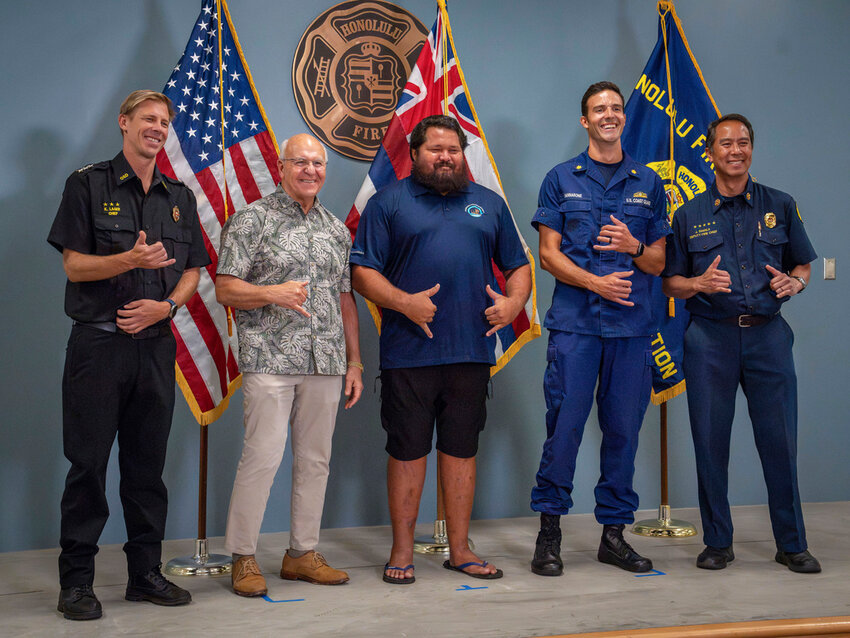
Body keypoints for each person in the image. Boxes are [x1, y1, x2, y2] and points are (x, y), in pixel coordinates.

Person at [48, 90, 209, 620]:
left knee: (147, 469)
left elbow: (192, 270)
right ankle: (76, 583)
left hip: (155, 348)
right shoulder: (87, 184)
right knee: (88, 468)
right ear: (124, 123)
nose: (158, 128)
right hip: (99, 346)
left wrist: (165, 308)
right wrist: (129, 259)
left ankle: (144, 575)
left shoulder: (179, 196)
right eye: (148, 119)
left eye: (165, 122)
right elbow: (73, 265)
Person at [351, 115, 531, 584]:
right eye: (436, 149)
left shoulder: (488, 204)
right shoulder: (387, 204)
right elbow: (361, 273)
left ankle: (461, 550)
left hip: (470, 352)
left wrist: (513, 303)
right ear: (414, 153)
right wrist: (404, 303)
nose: (446, 156)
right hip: (408, 354)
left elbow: (519, 266)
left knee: (461, 450)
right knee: (408, 451)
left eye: (454, 149)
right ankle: (402, 552)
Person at [662, 114, 820, 573]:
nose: (736, 150)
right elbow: (670, 283)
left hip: (768, 339)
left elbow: (803, 265)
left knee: (780, 443)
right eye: (726, 143)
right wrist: (698, 284)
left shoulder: (780, 204)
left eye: (744, 142)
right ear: (709, 152)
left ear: (752, 148)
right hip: (709, 339)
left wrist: (796, 283)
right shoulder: (688, 214)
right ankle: (717, 542)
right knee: (710, 444)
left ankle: (791, 544)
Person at [529, 81, 670, 576]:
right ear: (585, 120)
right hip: (576, 329)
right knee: (563, 430)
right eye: (598, 110)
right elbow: (548, 256)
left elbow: (658, 262)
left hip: (631, 331)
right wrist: (596, 282)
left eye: (615, 108)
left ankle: (614, 536)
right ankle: (550, 535)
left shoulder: (649, 183)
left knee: (623, 434)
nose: (608, 115)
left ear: (623, 118)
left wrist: (634, 245)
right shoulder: (560, 177)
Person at [216, 133, 363, 597]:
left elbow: (345, 298)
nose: (310, 170)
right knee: (262, 456)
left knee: (316, 460)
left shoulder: (336, 229)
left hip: (327, 360)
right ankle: (242, 556)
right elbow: (224, 288)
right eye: (300, 162)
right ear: (281, 167)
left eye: (317, 163)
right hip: (270, 357)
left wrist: (355, 361)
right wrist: (270, 293)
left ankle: (302, 553)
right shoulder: (251, 220)